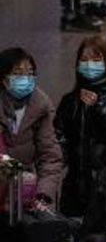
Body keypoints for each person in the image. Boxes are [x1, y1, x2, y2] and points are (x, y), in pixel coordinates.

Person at [54, 36, 106, 217]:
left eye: (96, 60)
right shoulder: (70, 101)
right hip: (74, 187)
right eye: (84, 60)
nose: (90, 65)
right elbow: (59, 137)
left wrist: (99, 107)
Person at [0, 48, 64, 212]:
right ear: (4, 78)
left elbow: (50, 157)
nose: (25, 79)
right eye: (18, 73)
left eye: (30, 73)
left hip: (23, 190)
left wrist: (44, 196)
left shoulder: (41, 106)